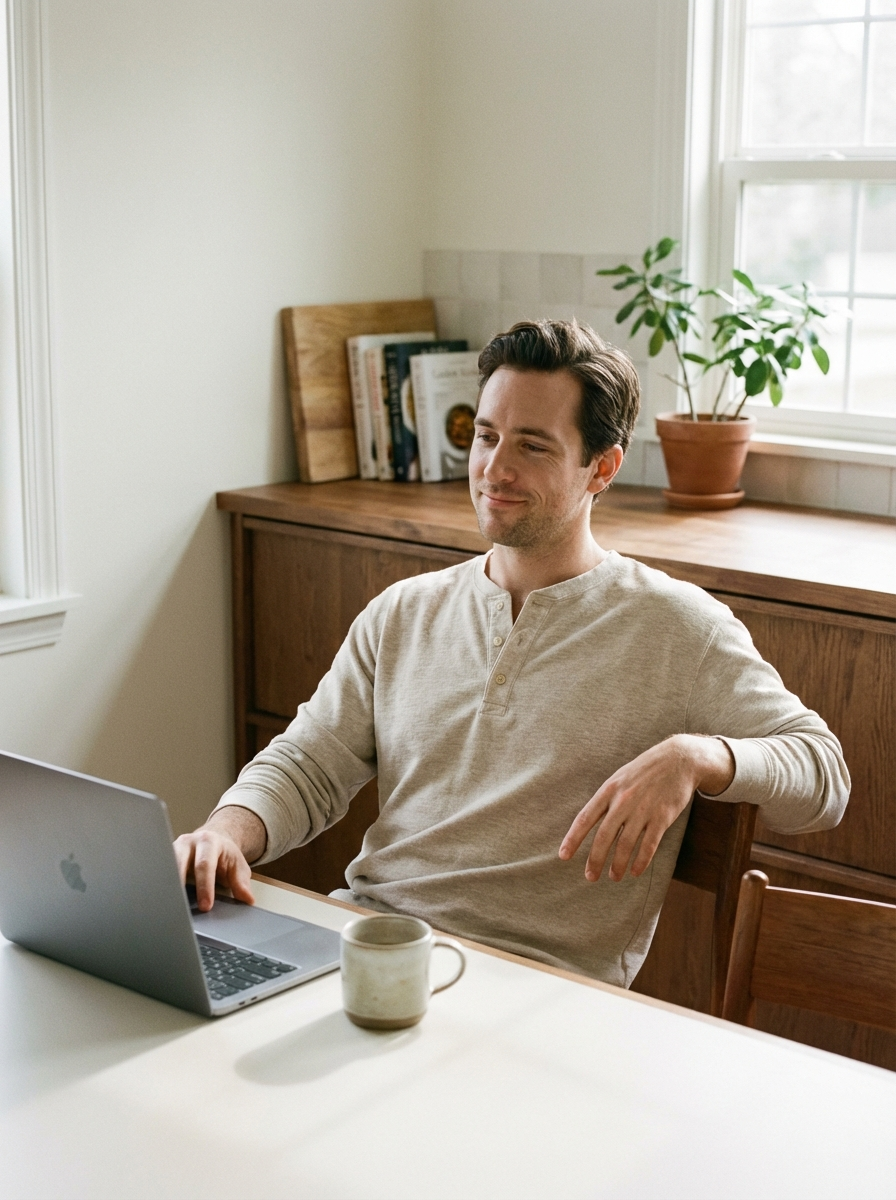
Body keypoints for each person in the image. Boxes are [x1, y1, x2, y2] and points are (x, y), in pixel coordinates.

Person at [175, 320, 849, 987]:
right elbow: (308, 764)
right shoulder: (404, 612)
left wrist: (698, 756)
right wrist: (225, 834)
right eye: (486, 436)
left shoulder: (680, 629)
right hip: (373, 946)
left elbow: (823, 777)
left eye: (531, 446)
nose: (495, 468)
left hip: (540, 990)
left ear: (603, 468)